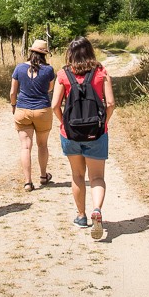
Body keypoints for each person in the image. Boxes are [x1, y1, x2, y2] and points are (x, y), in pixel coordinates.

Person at [51, 36, 116, 240]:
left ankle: (81, 216)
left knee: (77, 176)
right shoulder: (101, 72)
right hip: (96, 132)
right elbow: (111, 103)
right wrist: (103, 122)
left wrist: (64, 123)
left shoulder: (63, 74)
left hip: (70, 133)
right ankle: (97, 209)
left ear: (70, 53)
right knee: (97, 177)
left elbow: (54, 105)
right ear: (90, 52)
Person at [10, 38, 56, 191]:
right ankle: (43, 176)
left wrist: (13, 106)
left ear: (30, 52)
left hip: (22, 109)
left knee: (25, 147)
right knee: (42, 145)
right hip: (42, 109)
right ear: (44, 54)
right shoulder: (49, 70)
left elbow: (12, 92)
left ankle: (28, 182)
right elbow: (50, 89)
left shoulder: (19, 68)